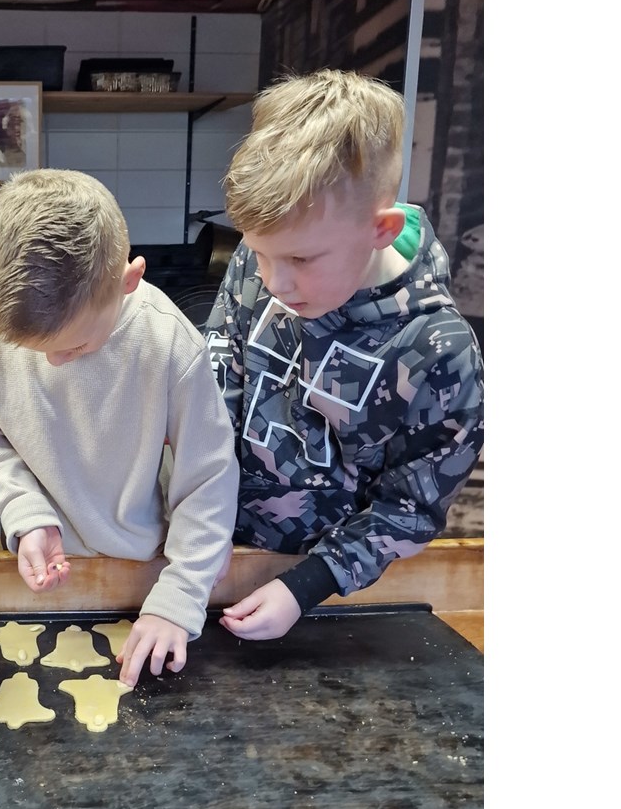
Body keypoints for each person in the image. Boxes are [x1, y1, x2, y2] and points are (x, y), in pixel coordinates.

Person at [204, 69, 484, 641]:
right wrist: (195, 523)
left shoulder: (440, 354)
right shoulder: (263, 259)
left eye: (301, 260)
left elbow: (410, 506)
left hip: (327, 590)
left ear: (382, 229)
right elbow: (214, 390)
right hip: (213, 553)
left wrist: (304, 586)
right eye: (258, 253)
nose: (274, 281)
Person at [0, 169, 239, 687]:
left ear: (129, 281)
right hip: (39, 573)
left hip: (144, 575)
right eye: (34, 351)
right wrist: (25, 513)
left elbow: (209, 476)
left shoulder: (169, 343)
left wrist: (181, 594)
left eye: (76, 346)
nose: (55, 363)